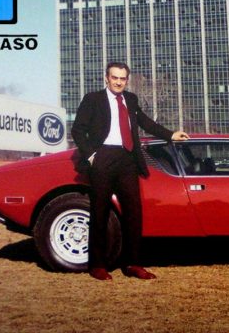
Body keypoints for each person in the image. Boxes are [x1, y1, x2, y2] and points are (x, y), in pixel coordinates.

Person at [71, 62, 189, 281]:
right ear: (106, 78)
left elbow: (146, 123)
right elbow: (77, 130)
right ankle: (97, 265)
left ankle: (132, 264)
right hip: (103, 157)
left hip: (128, 159)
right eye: (114, 77)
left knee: (134, 213)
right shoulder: (93, 99)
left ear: (127, 80)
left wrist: (170, 134)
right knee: (100, 212)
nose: (118, 82)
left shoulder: (131, 99)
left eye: (122, 78)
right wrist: (92, 156)